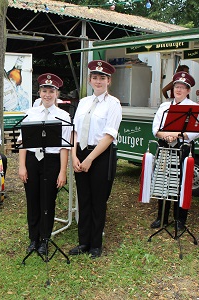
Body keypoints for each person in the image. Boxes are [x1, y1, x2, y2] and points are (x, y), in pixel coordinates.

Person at [69, 60, 122, 259]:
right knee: (84, 199)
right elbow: (74, 131)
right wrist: (74, 156)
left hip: (100, 156)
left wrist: (90, 158)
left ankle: (96, 245)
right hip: (80, 154)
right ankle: (83, 242)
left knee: (98, 201)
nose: (98, 81)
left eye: (102, 78)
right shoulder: (83, 102)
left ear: (109, 81)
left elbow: (109, 136)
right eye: (95, 77)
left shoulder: (113, 104)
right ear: (90, 80)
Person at [18, 73, 71, 255]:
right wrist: (22, 166)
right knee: (32, 200)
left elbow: (65, 147)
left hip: (52, 161)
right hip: (33, 160)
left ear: (57, 93)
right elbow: (23, 142)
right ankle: (33, 239)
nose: (47, 94)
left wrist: (62, 171)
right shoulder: (30, 113)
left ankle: (45, 239)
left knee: (48, 201)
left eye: (51, 91)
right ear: (39, 93)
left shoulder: (63, 116)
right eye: (44, 91)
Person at [151, 71, 199, 230]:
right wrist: (166, 135)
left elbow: (196, 132)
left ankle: (180, 219)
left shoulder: (193, 107)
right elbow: (155, 128)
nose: (178, 90)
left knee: (181, 182)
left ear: (188, 90)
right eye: (176, 87)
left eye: (182, 87)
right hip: (165, 146)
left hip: (183, 148)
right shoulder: (164, 106)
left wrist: (176, 135)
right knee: (162, 181)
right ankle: (162, 217)